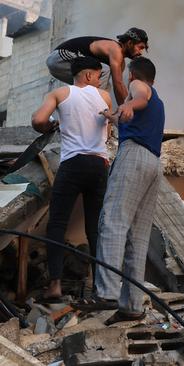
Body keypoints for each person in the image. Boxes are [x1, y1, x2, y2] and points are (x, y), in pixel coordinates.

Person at [79, 57, 165, 324]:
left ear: (133, 75)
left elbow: (138, 98)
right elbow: (128, 114)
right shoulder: (158, 103)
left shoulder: (139, 87)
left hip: (134, 157)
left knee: (113, 222)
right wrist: (112, 115)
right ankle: (132, 306)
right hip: (153, 164)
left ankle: (106, 293)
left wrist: (127, 104)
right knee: (137, 238)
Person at [31, 57, 112, 302]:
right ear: (88, 75)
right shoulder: (105, 97)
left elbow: (38, 121)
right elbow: (107, 132)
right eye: (99, 75)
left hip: (73, 163)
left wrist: (50, 126)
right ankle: (101, 287)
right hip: (99, 165)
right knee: (94, 227)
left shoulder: (59, 93)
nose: (100, 81)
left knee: (57, 224)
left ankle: (55, 286)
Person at [46, 27, 149, 104]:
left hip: (67, 67)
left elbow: (119, 87)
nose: (140, 52)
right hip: (59, 57)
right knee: (104, 70)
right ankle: (93, 105)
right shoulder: (115, 49)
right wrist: (128, 107)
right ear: (130, 43)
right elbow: (118, 84)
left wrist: (128, 108)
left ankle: (90, 107)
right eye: (140, 47)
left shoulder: (121, 63)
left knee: (105, 87)